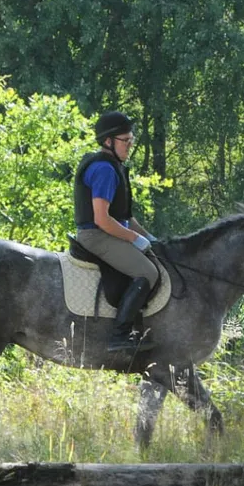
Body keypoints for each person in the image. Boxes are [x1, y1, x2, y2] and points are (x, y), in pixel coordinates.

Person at [73, 111, 160, 352]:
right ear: (108, 141)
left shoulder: (115, 167)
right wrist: (135, 239)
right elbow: (102, 219)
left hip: (109, 232)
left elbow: (125, 218)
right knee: (148, 272)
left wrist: (150, 238)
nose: (130, 145)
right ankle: (120, 335)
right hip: (96, 235)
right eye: (126, 140)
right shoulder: (104, 170)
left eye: (132, 140)